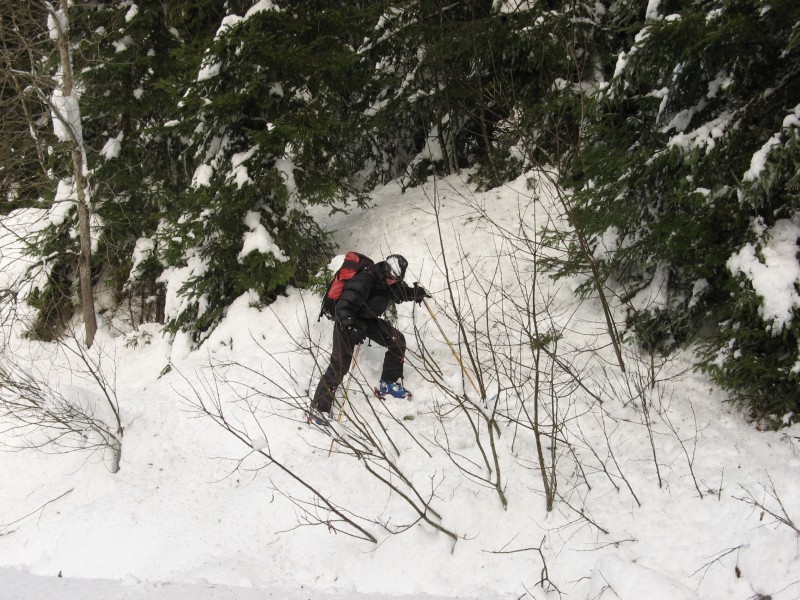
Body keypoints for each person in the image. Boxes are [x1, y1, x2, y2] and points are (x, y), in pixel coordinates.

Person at [308, 254, 428, 425]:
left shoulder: (390, 282)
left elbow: (399, 292)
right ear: (386, 270)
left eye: (397, 278)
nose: (393, 281)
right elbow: (343, 307)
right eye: (392, 278)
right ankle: (318, 409)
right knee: (340, 364)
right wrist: (351, 327)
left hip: (366, 321)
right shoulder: (365, 280)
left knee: (397, 341)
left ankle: (388, 383)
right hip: (347, 323)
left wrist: (414, 293)